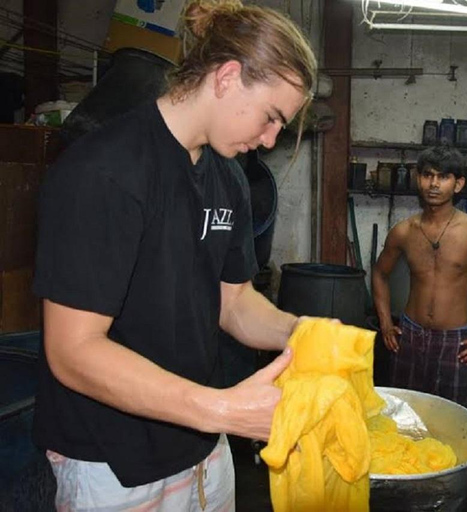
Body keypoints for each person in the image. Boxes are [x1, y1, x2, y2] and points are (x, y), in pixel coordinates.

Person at [31, 2, 317, 509]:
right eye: (272, 117)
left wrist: (304, 334)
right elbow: (73, 352)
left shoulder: (229, 178)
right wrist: (223, 410)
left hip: (203, 444)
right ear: (228, 77)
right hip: (114, 462)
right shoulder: (105, 172)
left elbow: (234, 303)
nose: (270, 139)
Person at [371, 145, 467, 410]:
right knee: (404, 420)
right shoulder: (403, 231)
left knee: (453, 423)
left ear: (458, 184)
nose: (433, 184)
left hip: (455, 343)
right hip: (409, 338)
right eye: (427, 175)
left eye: (443, 177)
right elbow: (379, 273)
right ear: (418, 178)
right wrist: (387, 323)